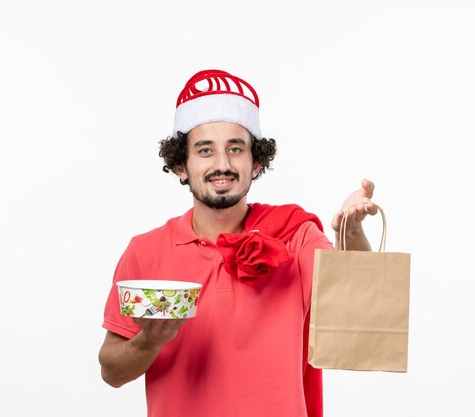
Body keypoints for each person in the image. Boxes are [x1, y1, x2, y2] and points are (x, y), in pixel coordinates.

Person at [99, 69, 378, 417]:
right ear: (179, 166)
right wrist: (150, 340)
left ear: (256, 162)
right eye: (205, 150)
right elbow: (111, 372)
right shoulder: (145, 252)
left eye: (235, 148)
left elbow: (357, 305)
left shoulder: (295, 235)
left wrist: (351, 232)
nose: (222, 165)